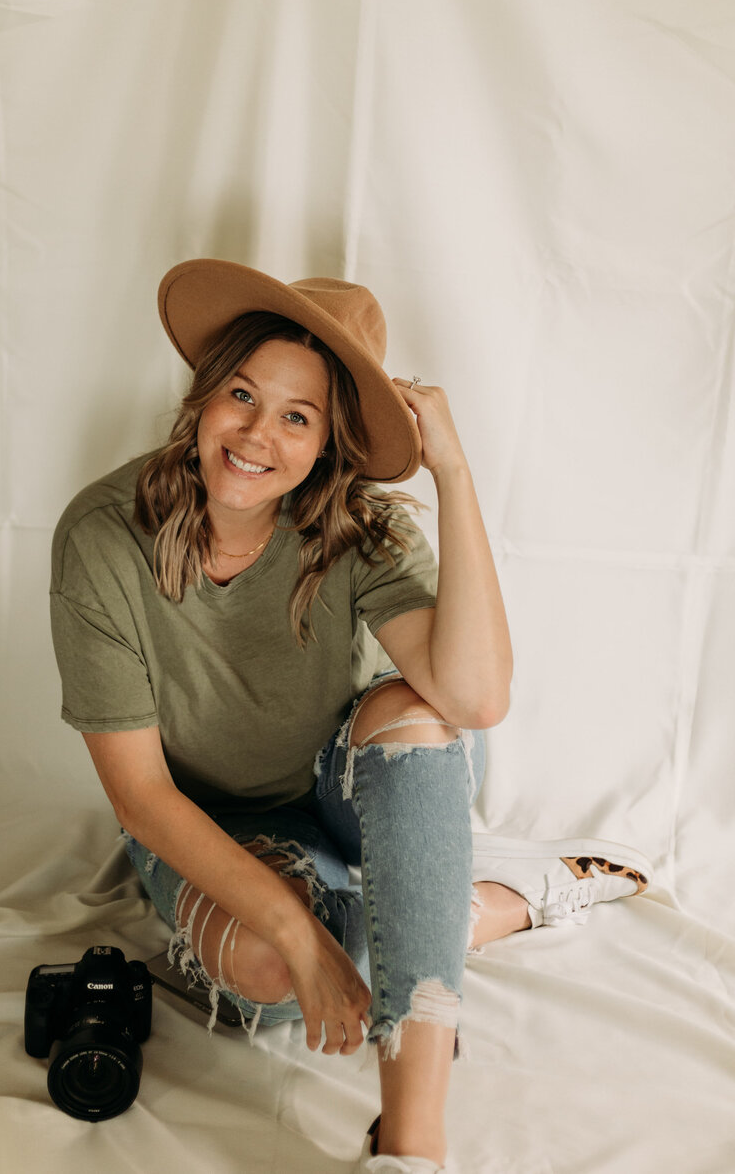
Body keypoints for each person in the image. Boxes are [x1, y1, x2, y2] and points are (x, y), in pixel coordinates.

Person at [50, 260, 652, 1174]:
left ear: (331, 442)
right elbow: (140, 795)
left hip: (356, 784)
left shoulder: (360, 528)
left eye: (298, 417)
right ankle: (479, 901)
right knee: (267, 975)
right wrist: (296, 933)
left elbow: (476, 698)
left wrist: (450, 468)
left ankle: (410, 1140)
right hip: (209, 819)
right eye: (243, 395)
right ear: (204, 395)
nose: (256, 434)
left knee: (421, 706)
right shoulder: (103, 536)